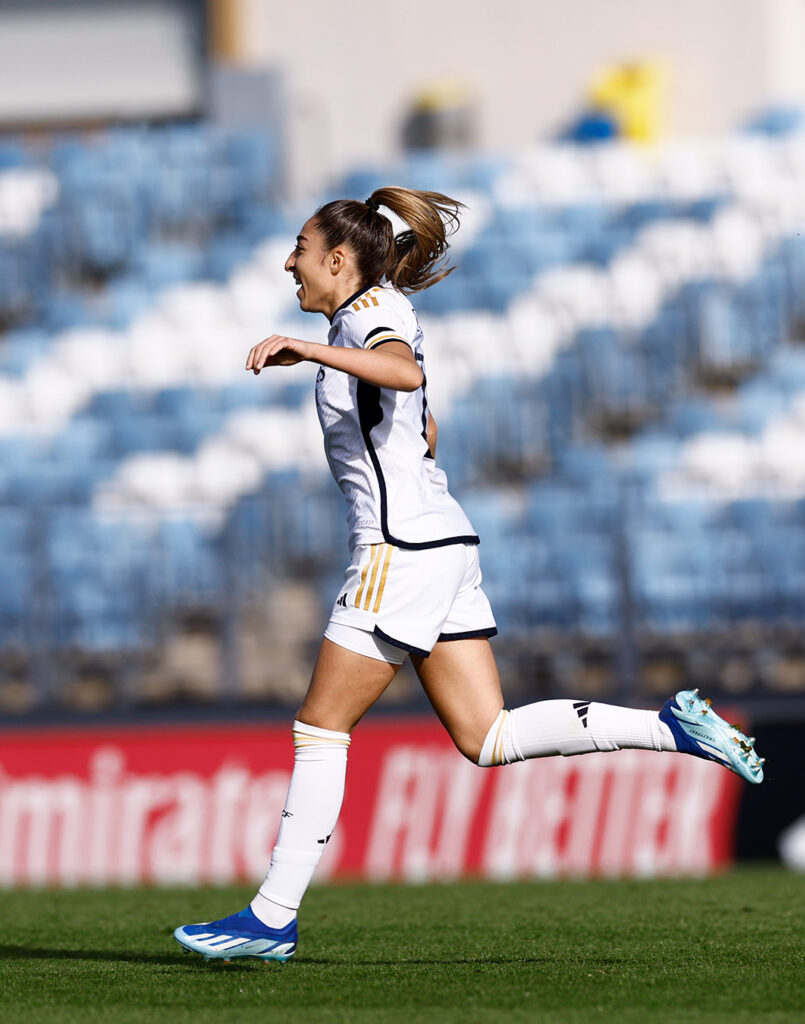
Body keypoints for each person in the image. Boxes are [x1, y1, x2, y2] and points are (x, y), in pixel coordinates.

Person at [174, 188, 764, 963]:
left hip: (399, 551)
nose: (289, 261)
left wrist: (309, 350)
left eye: (300, 248)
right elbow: (419, 419)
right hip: (441, 541)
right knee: (487, 737)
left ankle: (272, 917)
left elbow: (402, 375)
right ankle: (673, 727)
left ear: (338, 260)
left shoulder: (361, 320)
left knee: (320, 728)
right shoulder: (372, 309)